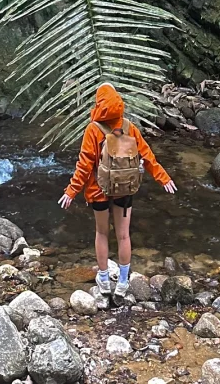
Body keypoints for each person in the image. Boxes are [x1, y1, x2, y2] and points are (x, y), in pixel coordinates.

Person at [57, 82, 176, 300]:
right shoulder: (129, 127)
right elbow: (147, 156)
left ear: (99, 103)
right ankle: (122, 282)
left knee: (102, 233)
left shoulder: (93, 129)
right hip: (124, 190)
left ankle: (103, 280)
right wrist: (163, 178)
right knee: (123, 235)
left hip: (98, 191)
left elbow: (84, 166)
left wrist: (71, 192)